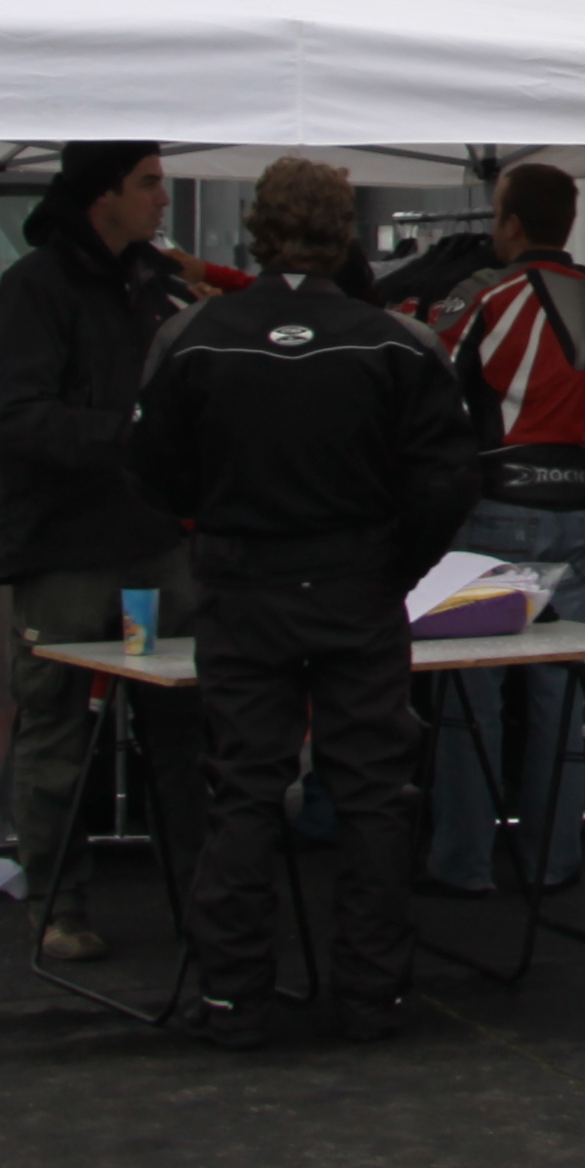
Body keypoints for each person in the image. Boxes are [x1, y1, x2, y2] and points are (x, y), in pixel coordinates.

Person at [127, 155, 482, 1050]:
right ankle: (371, 994)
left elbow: (152, 467)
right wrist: (395, 565)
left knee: (243, 787)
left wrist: (216, 523)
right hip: (356, 581)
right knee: (372, 791)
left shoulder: (195, 335)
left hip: (244, 582)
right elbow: (448, 476)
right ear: (345, 235)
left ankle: (234, 996)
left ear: (258, 229)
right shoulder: (398, 343)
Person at [419, 163, 585, 900]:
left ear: (513, 223)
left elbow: (433, 404)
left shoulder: (481, 299)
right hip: (578, 518)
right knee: (560, 695)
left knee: (473, 695)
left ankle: (462, 864)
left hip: (493, 513)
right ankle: (553, 862)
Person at [0, 142, 194, 965]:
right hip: (66, 548)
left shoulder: (159, 282)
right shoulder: (34, 287)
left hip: (154, 541)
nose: (163, 199)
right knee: (56, 731)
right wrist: (131, 435)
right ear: (100, 193)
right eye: (149, 183)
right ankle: (57, 905)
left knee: (183, 725)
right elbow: (16, 417)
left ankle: (200, 898)